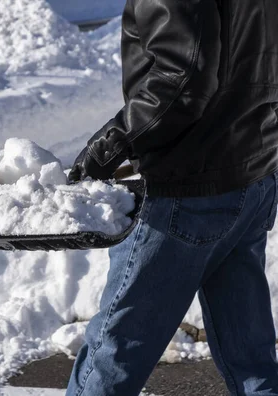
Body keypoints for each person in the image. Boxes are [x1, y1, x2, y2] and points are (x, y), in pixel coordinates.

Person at [66, 0, 278, 395]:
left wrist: (110, 145)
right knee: (252, 363)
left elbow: (182, 77)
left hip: (185, 194)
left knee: (111, 361)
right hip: (252, 178)